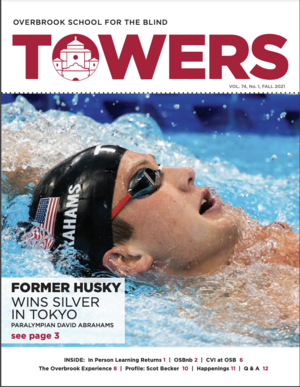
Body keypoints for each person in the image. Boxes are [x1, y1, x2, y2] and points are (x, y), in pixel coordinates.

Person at [3, 143, 299, 278]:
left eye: (158, 167)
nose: (187, 172)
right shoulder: (269, 318)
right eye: (145, 180)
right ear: (126, 259)